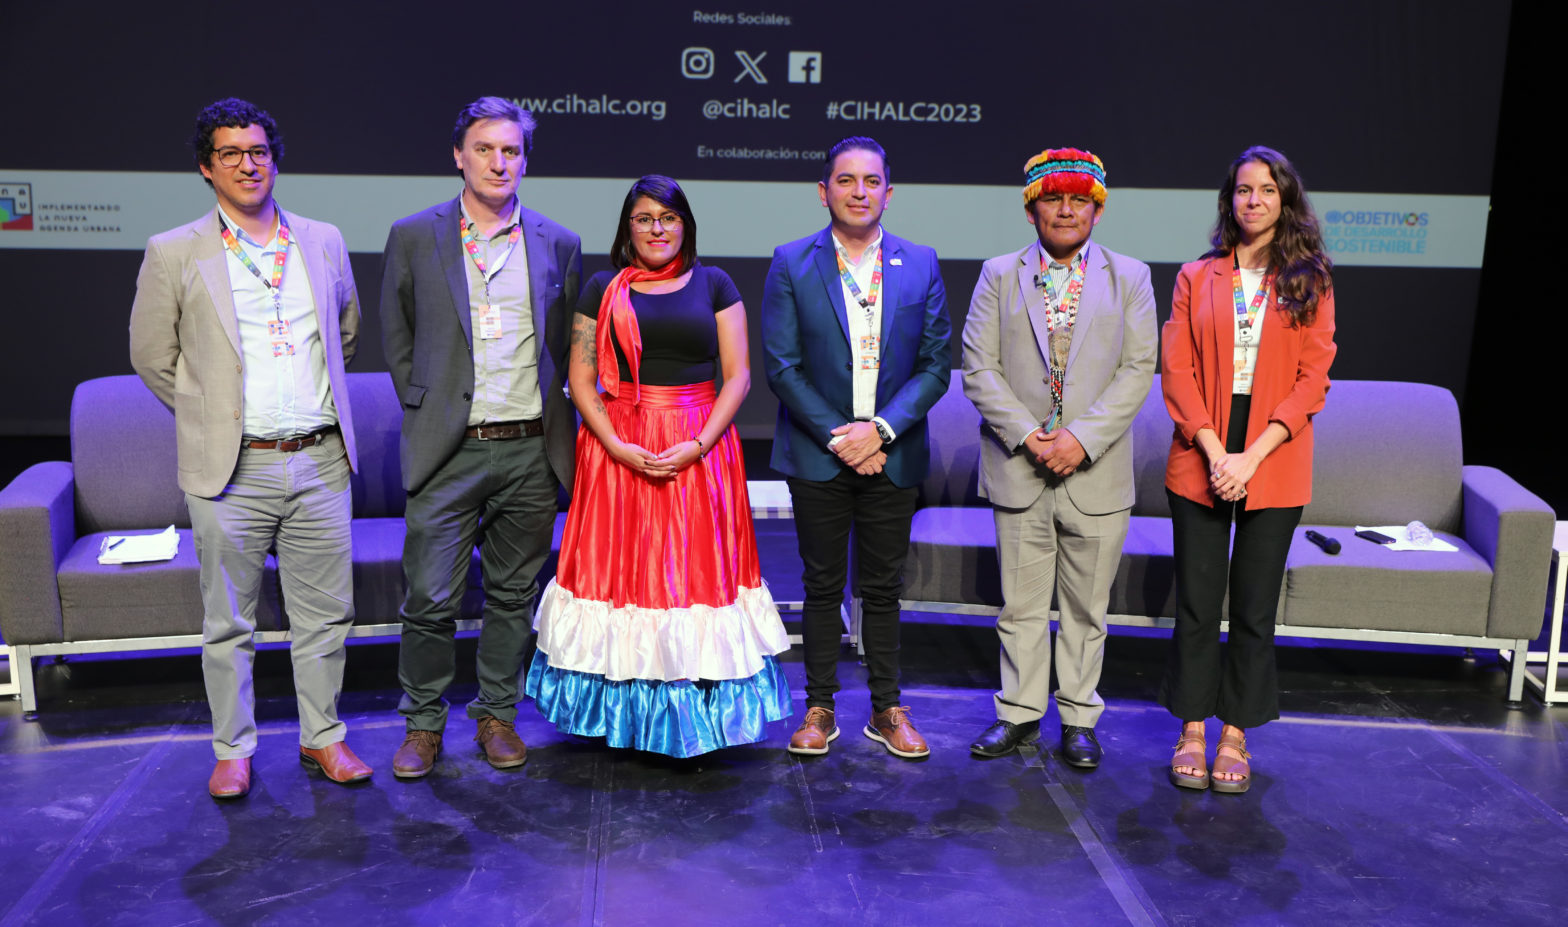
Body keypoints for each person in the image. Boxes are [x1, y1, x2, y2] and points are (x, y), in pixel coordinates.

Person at [129, 97, 370, 798]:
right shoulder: (175, 250)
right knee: (229, 621)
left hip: (320, 458)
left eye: (258, 151)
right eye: (230, 153)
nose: (247, 164)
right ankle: (233, 748)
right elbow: (151, 356)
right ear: (207, 168)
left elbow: (345, 334)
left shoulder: (322, 239)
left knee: (325, 615)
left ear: (274, 159)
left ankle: (323, 736)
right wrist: (211, 416)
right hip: (232, 467)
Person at [525, 175, 792, 757]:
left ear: (685, 226)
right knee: (623, 578)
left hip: (700, 447)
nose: (657, 229)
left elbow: (738, 376)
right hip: (618, 446)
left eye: (668, 218)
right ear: (628, 227)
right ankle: (621, 717)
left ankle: (699, 720)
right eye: (644, 218)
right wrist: (616, 445)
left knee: (694, 580)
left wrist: (697, 443)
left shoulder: (715, 283)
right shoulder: (602, 288)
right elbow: (580, 378)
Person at [380, 97, 582, 777]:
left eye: (512, 151)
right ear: (458, 156)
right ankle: (422, 724)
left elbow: (564, 347)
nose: (500, 163)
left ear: (525, 159)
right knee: (429, 599)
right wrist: (431, 409)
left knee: (512, 596)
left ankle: (497, 715)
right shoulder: (415, 235)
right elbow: (399, 339)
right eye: (485, 149)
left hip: (529, 447)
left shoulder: (557, 241)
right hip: (449, 449)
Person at [961, 148, 1157, 768]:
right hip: (1020, 467)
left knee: (1086, 610)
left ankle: (1078, 719)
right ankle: (1019, 713)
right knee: (1020, 607)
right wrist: (1028, 435)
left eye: (1079, 200)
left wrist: (1081, 440)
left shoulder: (1131, 276)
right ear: (1032, 210)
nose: (1066, 210)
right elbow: (978, 368)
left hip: (1096, 471)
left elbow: (1138, 369)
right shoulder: (999, 274)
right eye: (1053, 199)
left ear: (1097, 210)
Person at [762, 137, 951, 759]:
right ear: (824, 192)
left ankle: (886, 708)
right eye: (846, 181)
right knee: (821, 586)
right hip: (820, 453)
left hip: (892, 454)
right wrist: (845, 438)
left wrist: (881, 432)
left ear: (888, 193)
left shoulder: (920, 262)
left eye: (871, 181)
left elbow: (935, 366)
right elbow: (783, 367)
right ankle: (819, 707)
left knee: (884, 588)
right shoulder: (792, 261)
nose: (859, 192)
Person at [1160, 145, 1336, 793]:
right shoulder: (1194, 276)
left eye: (1266, 189)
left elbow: (1313, 377)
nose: (1253, 200)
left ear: (1285, 200)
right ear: (1228, 200)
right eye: (1242, 189)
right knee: (1198, 604)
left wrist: (1252, 455)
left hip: (1275, 450)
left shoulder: (1310, 279)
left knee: (1255, 607)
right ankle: (1193, 728)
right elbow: (1176, 370)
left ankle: (1235, 732)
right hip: (1201, 445)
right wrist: (1216, 453)